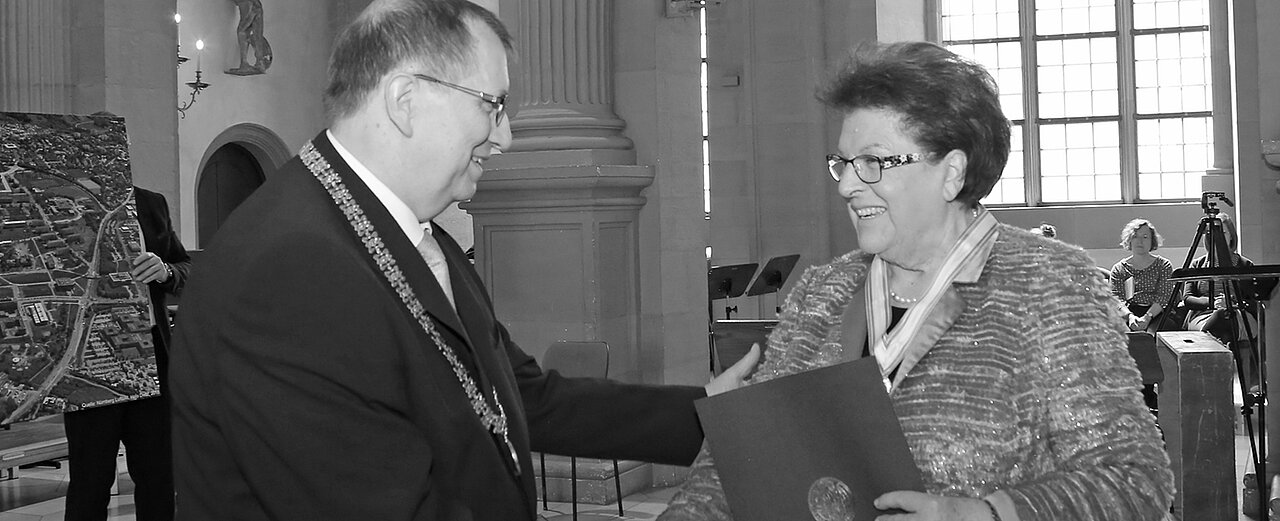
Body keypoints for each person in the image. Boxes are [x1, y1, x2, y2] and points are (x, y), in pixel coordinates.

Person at [169, 1, 755, 520]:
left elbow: (518, 397)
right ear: (405, 101)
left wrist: (709, 415)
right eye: (492, 105)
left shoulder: (413, 232)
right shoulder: (290, 273)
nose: (505, 136)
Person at [659, 41, 1172, 521]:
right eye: (843, 163)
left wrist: (985, 513)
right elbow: (729, 477)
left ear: (952, 172)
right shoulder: (822, 293)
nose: (846, 185)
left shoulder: (1050, 284)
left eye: (872, 162)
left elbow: (1133, 479)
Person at [63, 187, 190, 521]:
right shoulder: (58, 207)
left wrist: (166, 271)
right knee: (90, 482)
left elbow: (186, 267)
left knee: (158, 478)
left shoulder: (151, 202)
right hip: (88, 365)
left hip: (153, 361)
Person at [1181, 213, 1269, 388]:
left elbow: (1253, 298)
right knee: (1221, 317)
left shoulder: (1244, 265)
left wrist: (1231, 302)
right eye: (1213, 233)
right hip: (1203, 315)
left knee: (1226, 316)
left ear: (1231, 236)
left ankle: (1218, 385)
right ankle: (1238, 384)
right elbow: (1187, 298)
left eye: (1223, 232)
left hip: (1238, 313)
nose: (1218, 237)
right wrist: (1212, 303)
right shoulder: (1197, 264)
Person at [1109, 218, 1175, 333]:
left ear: (1152, 241)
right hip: (1128, 313)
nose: (1140, 241)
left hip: (1156, 313)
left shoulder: (1163, 265)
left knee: (1153, 334)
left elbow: (1164, 296)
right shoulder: (1119, 269)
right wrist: (1130, 317)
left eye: (1145, 237)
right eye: (1135, 236)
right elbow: (1116, 298)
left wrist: (1147, 317)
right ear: (1129, 240)